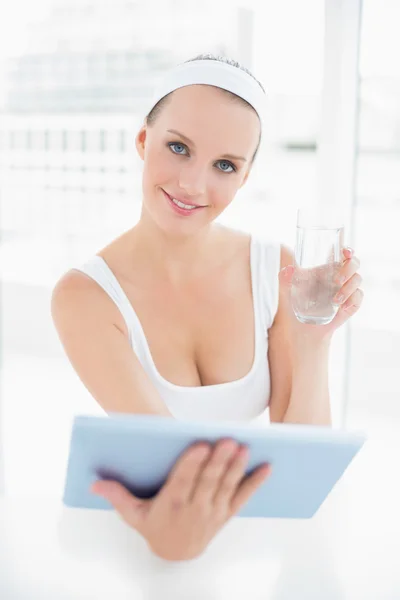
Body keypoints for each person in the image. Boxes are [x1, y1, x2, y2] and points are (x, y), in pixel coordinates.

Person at [51, 54, 364, 561]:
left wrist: (313, 342)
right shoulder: (85, 297)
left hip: (247, 533)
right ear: (142, 141)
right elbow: (170, 475)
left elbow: (303, 459)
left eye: (224, 165)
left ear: (244, 177)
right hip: (139, 533)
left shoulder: (274, 269)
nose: (193, 185)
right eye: (178, 148)